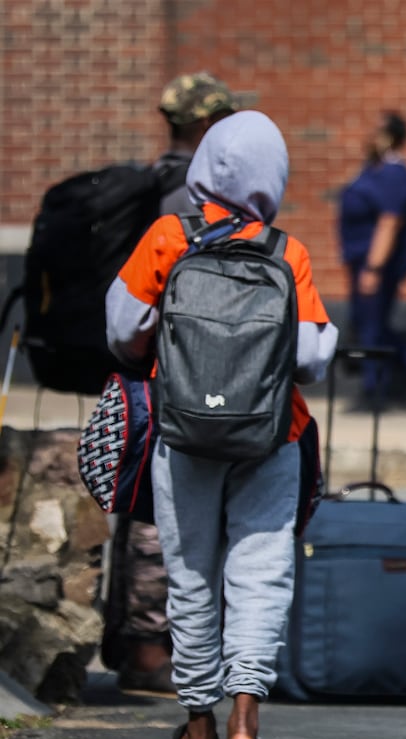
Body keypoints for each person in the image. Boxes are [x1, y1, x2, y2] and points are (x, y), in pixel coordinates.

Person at [106, 111, 339, 739]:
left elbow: (122, 330)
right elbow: (312, 357)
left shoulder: (168, 236)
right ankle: (245, 720)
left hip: (182, 432)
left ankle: (199, 726)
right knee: (261, 575)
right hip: (272, 434)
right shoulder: (284, 251)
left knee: (191, 573)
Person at [108, 72, 238, 696]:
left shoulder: (152, 178)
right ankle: (151, 650)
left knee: (145, 508)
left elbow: (126, 318)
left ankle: (141, 643)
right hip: (186, 376)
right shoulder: (187, 199)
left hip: (147, 368)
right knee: (163, 518)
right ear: (205, 123)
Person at [336, 111, 406, 409]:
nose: (368, 134)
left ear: (390, 136)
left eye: (376, 129)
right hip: (360, 261)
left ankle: (379, 388)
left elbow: (390, 221)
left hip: (377, 265)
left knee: (372, 326)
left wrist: (373, 268)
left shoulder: (394, 172)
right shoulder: (373, 170)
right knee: (368, 323)